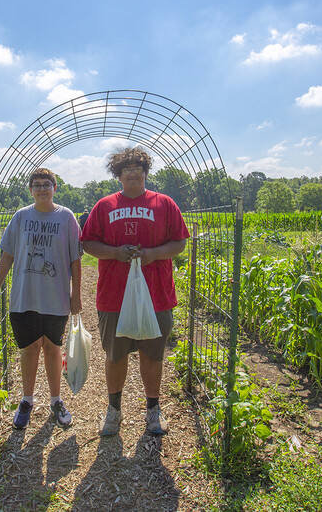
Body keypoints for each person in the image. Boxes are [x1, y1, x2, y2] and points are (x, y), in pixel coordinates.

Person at [80, 146, 189, 436]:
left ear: (145, 172)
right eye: (125, 168)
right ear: (118, 175)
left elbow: (180, 242)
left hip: (156, 294)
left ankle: (153, 409)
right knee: (115, 355)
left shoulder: (164, 203)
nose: (132, 172)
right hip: (114, 294)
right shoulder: (105, 206)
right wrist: (115, 253)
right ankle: (113, 411)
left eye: (137, 167)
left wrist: (154, 254)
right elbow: (88, 243)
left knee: (152, 354)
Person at [0, 168, 83, 429]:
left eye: (47, 184)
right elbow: (7, 256)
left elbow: (75, 259)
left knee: (52, 348)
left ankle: (55, 400)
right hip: (24, 296)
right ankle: (26, 400)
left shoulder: (66, 218)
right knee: (29, 349)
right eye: (37, 185)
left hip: (56, 297)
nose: (42, 189)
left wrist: (76, 295)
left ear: (55, 188)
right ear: (30, 190)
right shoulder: (20, 217)